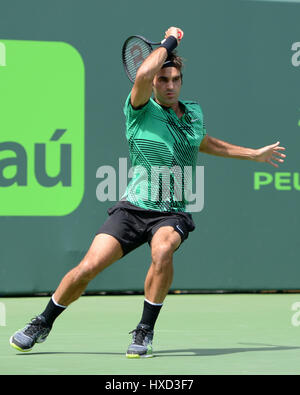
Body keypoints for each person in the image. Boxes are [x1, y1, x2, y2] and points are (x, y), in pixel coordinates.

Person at [9, 27, 286, 358]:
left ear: (181, 81)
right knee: (87, 268)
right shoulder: (139, 107)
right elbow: (142, 72)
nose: (169, 86)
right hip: (132, 209)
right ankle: (43, 322)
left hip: (172, 213)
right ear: (153, 82)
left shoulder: (193, 112)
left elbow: (203, 142)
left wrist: (253, 154)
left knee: (163, 250)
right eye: (163, 79)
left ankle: (144, 331)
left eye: (175, 79)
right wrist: (170, 42)